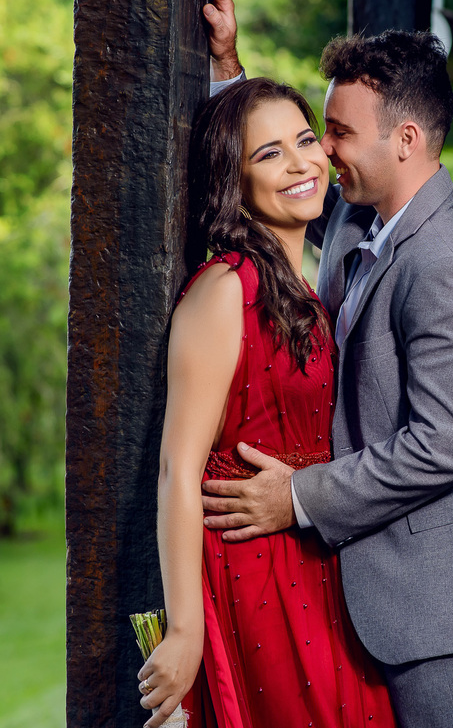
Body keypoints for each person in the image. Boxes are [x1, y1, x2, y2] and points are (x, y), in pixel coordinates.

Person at [198, 0, 453, 728]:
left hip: (436, 608)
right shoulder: (361, 220)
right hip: (358, 595)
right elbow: (284, 187)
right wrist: (227, 69)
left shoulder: (451, 263)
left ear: (407, 139)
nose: (323, 154)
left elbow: (444, 443)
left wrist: (295, 496)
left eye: (338, 134)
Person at [134, 75, 397, 728]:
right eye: (269, 153)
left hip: (318, 562)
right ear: (235, 181)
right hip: (252, 574)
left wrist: (230, 62)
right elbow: (178, 469)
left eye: (306, 139)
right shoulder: (224, 290)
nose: (301, 161)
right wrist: (186, 630)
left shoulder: (305, 290)